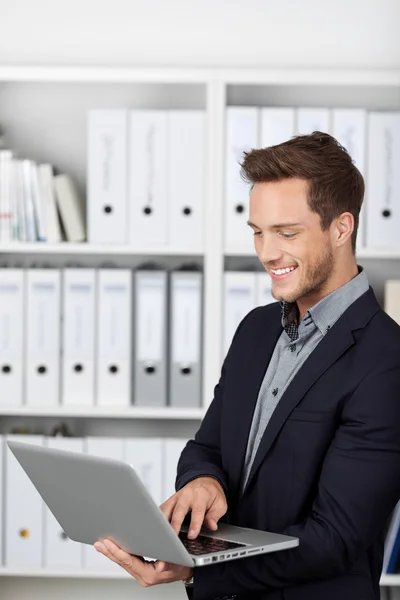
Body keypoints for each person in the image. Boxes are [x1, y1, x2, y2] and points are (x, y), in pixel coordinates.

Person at [94, 132, 400, 600]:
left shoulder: (386, 360)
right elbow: (207, 445)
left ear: (341, 228)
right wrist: (202, 480)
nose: (266, 253)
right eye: (258, 231)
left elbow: (335, 539)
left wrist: (197, 571)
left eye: (287, 233)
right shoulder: (256, 330)